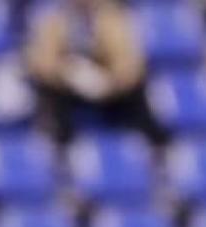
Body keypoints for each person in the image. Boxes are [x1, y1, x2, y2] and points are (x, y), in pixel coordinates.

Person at [26, 0, 167, 145]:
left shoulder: (114, 18)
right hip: (68, 86)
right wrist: (69, 74)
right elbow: (42, 62)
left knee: (138, 89)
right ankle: (59, 143)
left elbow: (130, 65)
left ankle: (153, 144)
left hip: (109, 86)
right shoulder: (53, 19)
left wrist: (107, 83)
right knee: (47, 92)